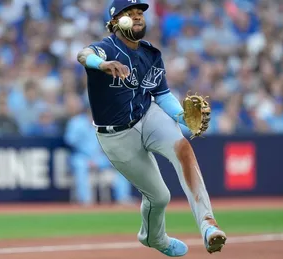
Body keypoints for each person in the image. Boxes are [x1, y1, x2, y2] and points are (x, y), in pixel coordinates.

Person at [76, 0, 226, 256]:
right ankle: (154, 239)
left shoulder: (151, 54)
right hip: (117, 135)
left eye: (140, 14)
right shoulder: (105, 48)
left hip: (148, 114)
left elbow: (162, 93)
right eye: (130, 14)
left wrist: (181, 117)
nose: (137, 18)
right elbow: (83, 54)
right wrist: (101, 65)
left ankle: (208, 225)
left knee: (183, 148)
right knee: (159, 197)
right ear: (115, 22)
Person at [63, 93, 133, 205]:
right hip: (81, 157)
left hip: (100, 157)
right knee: (80, 165)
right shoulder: (76, 122)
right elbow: (69, 141)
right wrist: (82, 131)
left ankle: (123, 198)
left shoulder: (106, 121)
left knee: (121, 163)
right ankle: (85, 201)